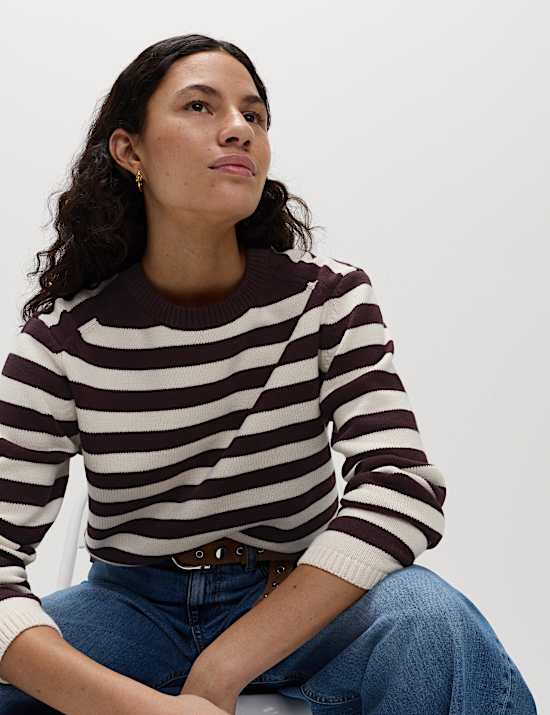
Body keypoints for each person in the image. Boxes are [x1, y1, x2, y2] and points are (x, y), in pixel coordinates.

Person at [0, 33, 537, 715]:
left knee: (432, 624)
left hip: (301, 599)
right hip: (131, 607)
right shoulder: (61, 340)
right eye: (200, 106)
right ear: (130, 151)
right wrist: (149, 711)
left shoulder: (328, 298)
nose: (238, 129)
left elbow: (401, 486)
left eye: (254, 115)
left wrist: (222, 667)